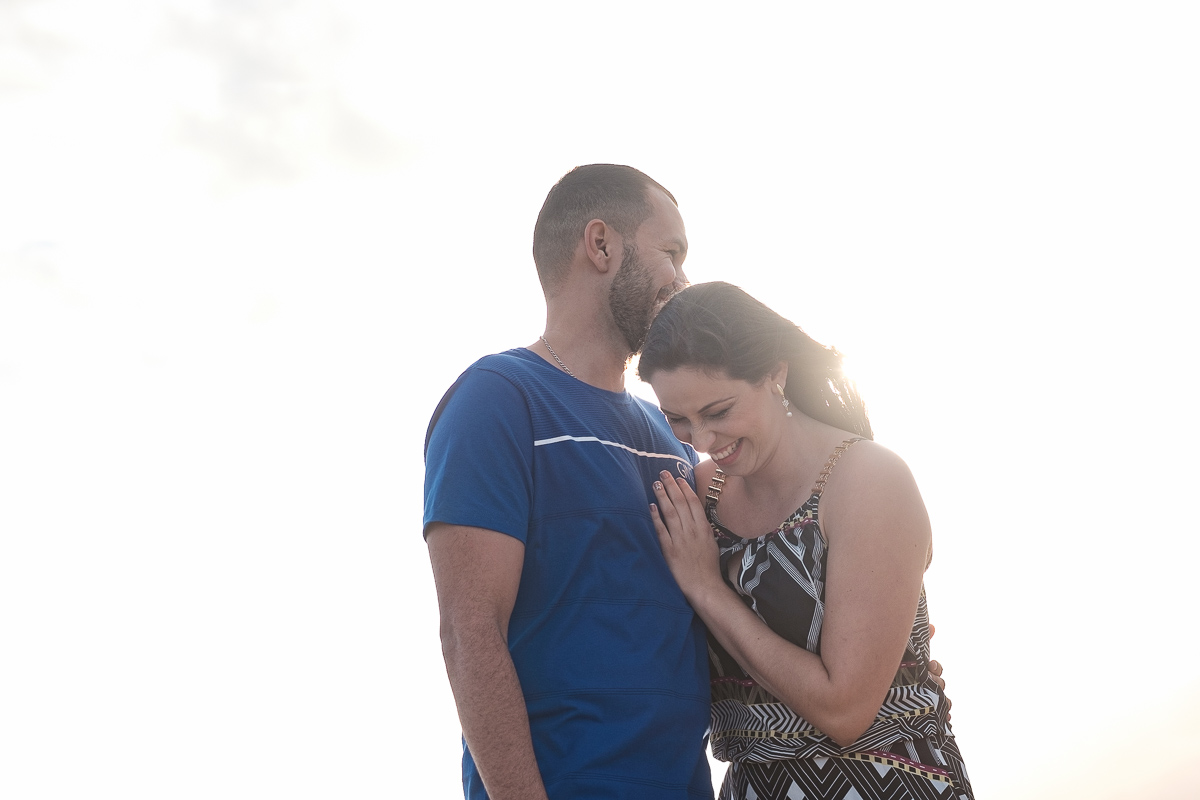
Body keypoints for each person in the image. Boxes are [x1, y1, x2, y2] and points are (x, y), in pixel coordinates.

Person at [423, 165, 713, 799]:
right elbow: (470, 631)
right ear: (601, 245)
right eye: (672, 253)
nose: (684, 281)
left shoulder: (677, 439)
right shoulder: (497, 399)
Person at [637, 281, 974, 800]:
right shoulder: (698, 495)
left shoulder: (868, 480)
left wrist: (707, 589)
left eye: (719, 411)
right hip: (751, 786)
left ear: (776, 373)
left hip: (889, 785)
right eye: (677, 419)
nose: (700, 441)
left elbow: (844, 710)